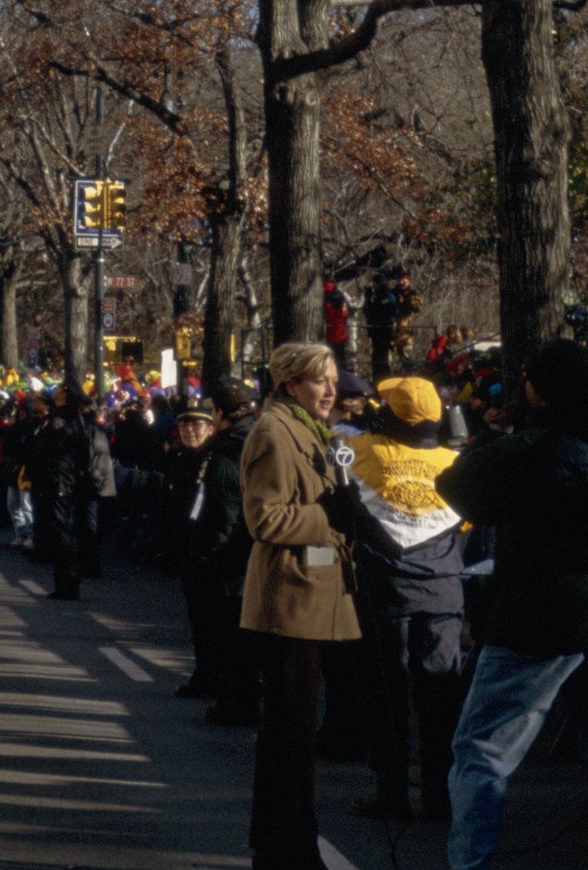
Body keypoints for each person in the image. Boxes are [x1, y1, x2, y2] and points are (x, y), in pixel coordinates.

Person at [437, 337, 588, 870]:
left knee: (482, 753)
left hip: (536, 618)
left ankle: (469, 862)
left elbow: (455, 486)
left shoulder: (527, 452)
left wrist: (501, 437)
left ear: (537, 391)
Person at [240, 341, 359, 870]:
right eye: (319, 381)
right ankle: (287, 845)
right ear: (290, 385)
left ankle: (285, 840)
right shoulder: (272, 431)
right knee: (289, 734)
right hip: (290, 595)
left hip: (322, 591)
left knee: (296, 733)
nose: (331, 391)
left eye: (333, 380)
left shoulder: (315, 431)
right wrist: (328, 518)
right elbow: (264, 519)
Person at [344, 375, 466, 825]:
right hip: (443, 591)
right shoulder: (455, 462)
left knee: (385, 697)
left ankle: (391, 792)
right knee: (439, 699)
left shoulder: (362, 452)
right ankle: (440, 796)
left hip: (383, 591)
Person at [162, 397, 255, 720]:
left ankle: (220, 681)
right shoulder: (179, 456)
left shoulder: (215, 457)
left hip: (210, 551)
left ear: (211, 427)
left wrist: (207, 549)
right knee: (200, 620)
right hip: (188, 547)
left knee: (219, 623)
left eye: (197, 424)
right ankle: (205, 675)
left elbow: (220, 508)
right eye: (184, 424)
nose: (189, 430)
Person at [31, 386, 97, 600]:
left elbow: (57, 449)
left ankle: (68, 584)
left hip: (61, 482)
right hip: (57, 480)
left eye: (59, 391)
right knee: (59, 533)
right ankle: (64, 583)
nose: (54, 393)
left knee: (63, 533)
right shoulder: (64, 417)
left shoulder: (64, 419)